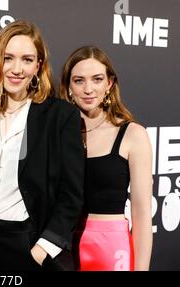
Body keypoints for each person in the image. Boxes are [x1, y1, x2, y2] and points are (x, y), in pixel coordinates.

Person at [0, 19, 84, 271]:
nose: (16, 69)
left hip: (26, 242)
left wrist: (42, 249)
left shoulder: (60, 116)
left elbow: (72, 193)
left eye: (26, 59)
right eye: (8, 58)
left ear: (38, 66)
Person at [59, 45, 153, 271]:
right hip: (62, 245)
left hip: (110, 249)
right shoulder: (59, 133)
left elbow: (141, 214)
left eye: (97, 79)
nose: (88, 89)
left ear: (109, 84)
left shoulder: (132, 134)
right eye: (79, 80)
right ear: (69, 87)